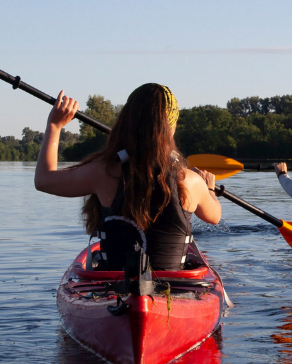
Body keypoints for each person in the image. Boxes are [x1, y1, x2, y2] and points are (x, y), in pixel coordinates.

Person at [34, 83, 221, 271]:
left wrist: (55, 125)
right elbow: (214, 217)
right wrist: (209, 189)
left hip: (113, 289)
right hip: (175, 289)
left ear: (126, 121)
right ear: (172, 127)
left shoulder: (103, 172)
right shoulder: (190, 181)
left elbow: (44, 180)